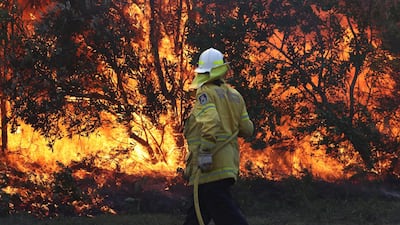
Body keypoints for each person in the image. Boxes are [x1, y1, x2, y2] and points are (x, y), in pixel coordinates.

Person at [182, 47, 254, 225]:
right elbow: (247, 129)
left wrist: (205, 152)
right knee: (198, 213)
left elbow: (211, 122)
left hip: (210, 165)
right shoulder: (235, 95)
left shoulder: (206, 93)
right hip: (226, 165)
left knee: (225, 213)